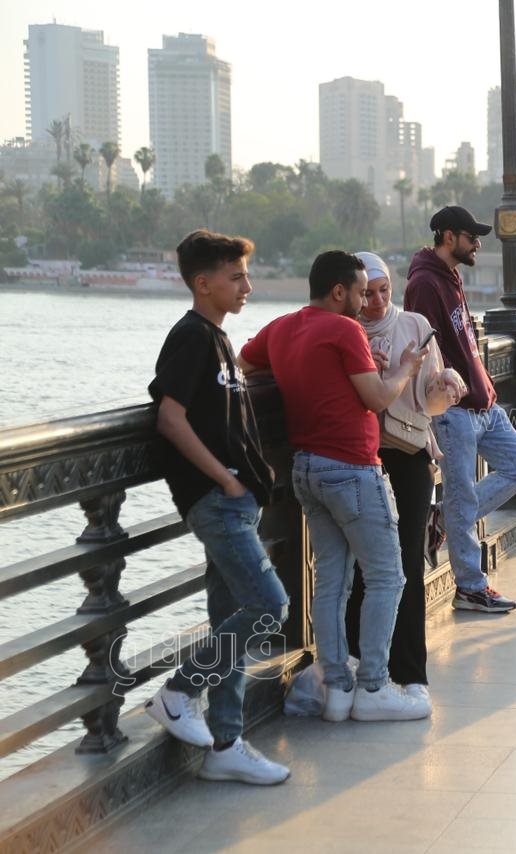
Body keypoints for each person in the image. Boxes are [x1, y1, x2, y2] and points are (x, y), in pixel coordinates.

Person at [239, 250, 432, 723]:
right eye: (361, 293)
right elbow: (378, 398)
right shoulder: (345, 330)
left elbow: (245, 362)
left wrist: (310, 377)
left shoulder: (282, 327)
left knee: (331, 581)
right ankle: (373, 687)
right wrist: (406, 368)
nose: (366, 303)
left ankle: (338, 689)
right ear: (339, 291)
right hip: (353, 468)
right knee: (388, 576)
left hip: (306, 468)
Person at [144, 229, 290, 784]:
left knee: (231, 620)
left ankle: (226, 744)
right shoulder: (192, 337)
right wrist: (225, 481)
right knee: (270, 607)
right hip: (217, 502)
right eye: (236, 277)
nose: (247, 286)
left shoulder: (220, 338)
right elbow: (170, 417)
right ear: (203, 284)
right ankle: (179, 691)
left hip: (236, 501)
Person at [404, 205, 516, 614]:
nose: (478, 243)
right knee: (462, 495)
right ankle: (471, 588)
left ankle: (443, 519)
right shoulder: (424, 283)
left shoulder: (450, 276)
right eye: (471, 237)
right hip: (453, 409)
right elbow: (425, 346)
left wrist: (484, 385)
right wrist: (446, 390)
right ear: (449, 237)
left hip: (483, 403)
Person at [344, 251, 461, 709]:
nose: (376, 302)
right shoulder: (344, 333)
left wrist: (444, 384)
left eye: (383, 291)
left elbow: (430, 401)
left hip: (410, 456)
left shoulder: (414, 326)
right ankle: (357, 666)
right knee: (360, 565)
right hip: (361, 459)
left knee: (407, 562)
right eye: (367, 293)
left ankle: (409, 672)